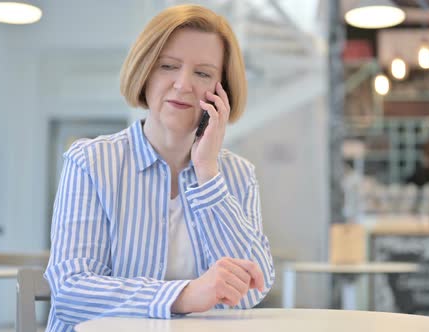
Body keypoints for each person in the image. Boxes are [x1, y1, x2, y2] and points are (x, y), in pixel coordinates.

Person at [44, 5, 275, 331]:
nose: (183, 85)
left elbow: (253, 289)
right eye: (168, 66)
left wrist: (208, 173)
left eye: (203, 73)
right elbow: (71, 291)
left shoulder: (237, 174)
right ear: (145, 71)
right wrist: (183, 295)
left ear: (222, 91)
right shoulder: (91, 162)